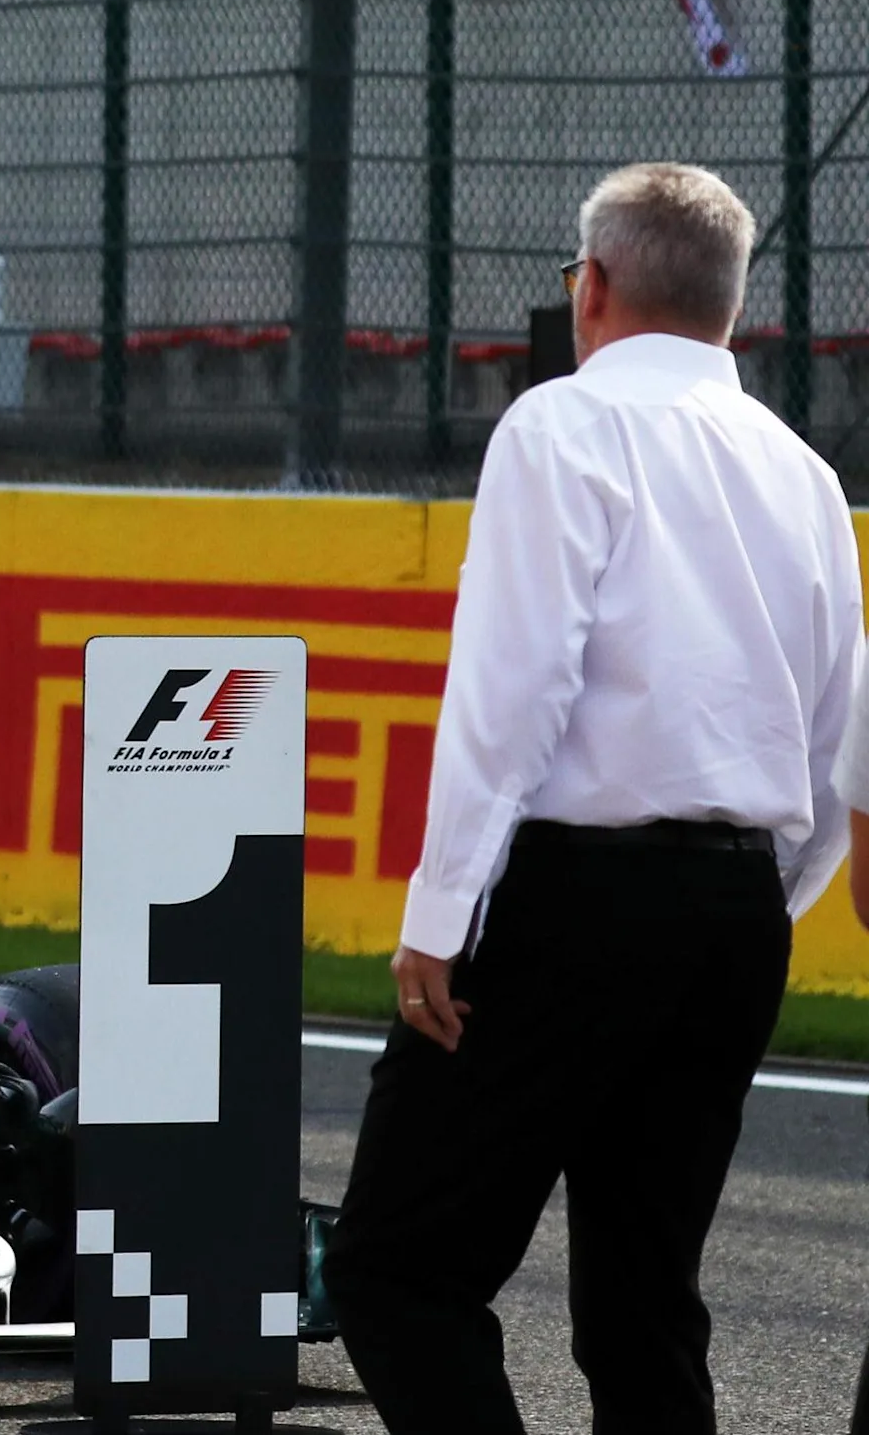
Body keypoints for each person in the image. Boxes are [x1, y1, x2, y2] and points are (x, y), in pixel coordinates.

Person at [325, 164, 858, 1434]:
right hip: (737, 910)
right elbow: (839, 736)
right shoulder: (801, 470)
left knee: (396, 1270)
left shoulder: (561, 426)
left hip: (572, 896)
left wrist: (442, 905)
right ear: (730, 306)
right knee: (641, 1295)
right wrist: (761, 897)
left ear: (594, 285)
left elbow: (511, 691)